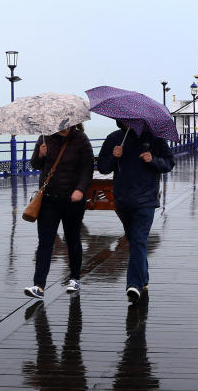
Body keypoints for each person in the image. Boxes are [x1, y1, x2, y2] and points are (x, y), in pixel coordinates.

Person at [97, 120, 175, 305]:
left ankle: (134, 285)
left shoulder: (155, 139)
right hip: (123, 199)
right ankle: (143, 277)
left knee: (139, 239)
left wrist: (153, 160)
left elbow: (169, 163)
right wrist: (113, 157)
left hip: (146, 199)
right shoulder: (114, 139)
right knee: (134, 240)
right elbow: (102, 168)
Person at [24, 123, 94, 299]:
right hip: (48, 199)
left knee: (72, 239)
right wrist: (40, 153)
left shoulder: (80, 139)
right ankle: (38, 285)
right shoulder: (45, 138)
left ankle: (75, 278)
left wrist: (80, 189)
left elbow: (88, 167)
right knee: (45, 242)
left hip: (73, 200)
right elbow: (35, 164)